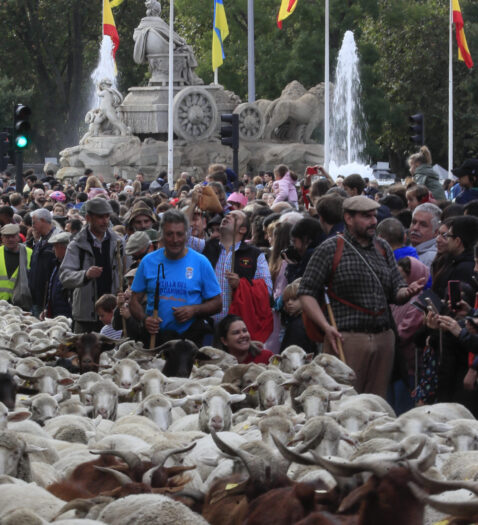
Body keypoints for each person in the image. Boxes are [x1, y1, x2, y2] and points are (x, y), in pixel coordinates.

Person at [299, 196, 425, 398]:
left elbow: (396, 290)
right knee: (344, 401)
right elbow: (306, 292)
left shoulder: (383, 248)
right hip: (346, 338)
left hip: (384, 338)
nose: (374, 221)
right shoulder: (330, 248)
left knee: (376, 404)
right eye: (366, 217)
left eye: (374, 216)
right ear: (349, 218)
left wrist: (407, 292)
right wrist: (325, 327)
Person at [129, 209, 222, 346]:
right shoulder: (148, 261)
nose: (175, 240)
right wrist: (145, 319)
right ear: (161, 235)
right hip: (155, 339)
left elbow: (217, 303)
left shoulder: (201, 262)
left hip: (189, 339)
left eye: (179, 234)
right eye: (169, 234)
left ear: (186, 235)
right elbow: (134, 301)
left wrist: (194, 310)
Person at [189, 207, 272, 323]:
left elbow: (267, 291)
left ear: (242, 230)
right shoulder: (206, 246)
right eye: (227, 215)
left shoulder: (255, 255)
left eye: (235, 217)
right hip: (207, 322)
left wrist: (241, 284)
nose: (227, 216)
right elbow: (183, 235)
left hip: (237, 325)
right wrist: (192, 203)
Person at [60, 198, 124, 333]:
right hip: (86, 317)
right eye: (100, 217)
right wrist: (85, 275)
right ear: (88, 218)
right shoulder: (76, 244)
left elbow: (128, 272)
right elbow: (65, 276)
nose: (105, 221)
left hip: (114, 315)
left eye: (107, 216)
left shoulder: (118, 242)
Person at [29, 209, 60, 317]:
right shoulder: (40, 242)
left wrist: (48, 303)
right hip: (36, 298)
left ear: (43, 220)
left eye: (34, 222)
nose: (32, 226)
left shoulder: (57, 241)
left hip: (48, 301)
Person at [0, 223, 32, 309]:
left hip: (21, 304)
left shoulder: (29, 253)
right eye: (7, 237)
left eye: (13, 236)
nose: (10, 239)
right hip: (1, 303)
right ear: (2, 238)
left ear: (18, 237)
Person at [43, 232, 72, 319]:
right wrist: (47, 309)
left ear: (63, 248)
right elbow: (52, 290)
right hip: (57, 314)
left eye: (55, 247)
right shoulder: (58, 264)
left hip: (66, 316)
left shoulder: (71, 266)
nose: (53, 249)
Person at [409, 203, 442, 268]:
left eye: (423, 225)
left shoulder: (432, 258)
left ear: (436, 232)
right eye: (414, 222)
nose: (415, 228)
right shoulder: (408, 248)